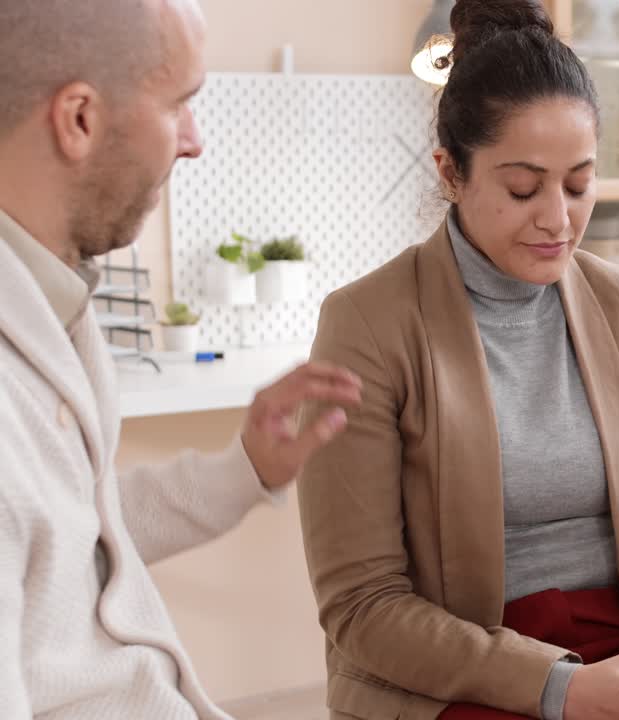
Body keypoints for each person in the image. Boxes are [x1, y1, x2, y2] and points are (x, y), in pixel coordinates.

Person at [295, 2, 619, 719]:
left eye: (581, 184)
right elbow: (362, 604)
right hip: (463, 667)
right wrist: (562, 688)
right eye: (523, 188)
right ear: (451, 172)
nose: (558, 218)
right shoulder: (368, 324)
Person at [0, 0, 363, 718]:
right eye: (180, 106)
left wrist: (245, 468)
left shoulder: (53, 298)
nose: (195, 142)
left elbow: (70, 533)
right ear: (79, 119)